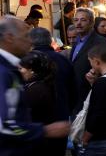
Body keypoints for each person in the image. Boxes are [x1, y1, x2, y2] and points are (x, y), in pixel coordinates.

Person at [0, 15, 69, 155]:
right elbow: (2, 126)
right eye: (25, 36)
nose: (30, 41)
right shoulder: (3, 71)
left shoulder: (9, 68)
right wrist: (45, 130)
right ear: (9, 37)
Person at [19, 51, 64, 156]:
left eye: (21, 68)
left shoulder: (36, 89)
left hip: (40, 141)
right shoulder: (38, 85)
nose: (19, 71)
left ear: (32, 70)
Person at [70, 8, 106, 114]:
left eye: (83, 20)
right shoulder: (77, 41)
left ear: (91, 22)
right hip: (76, 96)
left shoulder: (100, 42)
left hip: (92, 96)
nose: (78, 23)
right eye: (76, 20)